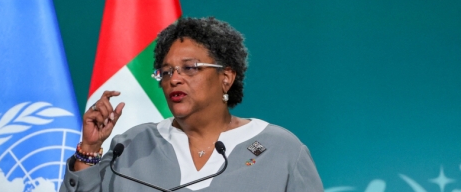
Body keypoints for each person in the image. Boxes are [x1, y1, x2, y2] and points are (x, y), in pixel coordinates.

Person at [60, 17, 324, 192]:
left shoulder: (280, 149)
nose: (174, 79)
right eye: (165, 72)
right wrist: (90, 149)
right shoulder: (131, 146)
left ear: (226, 77)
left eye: (189, 68)